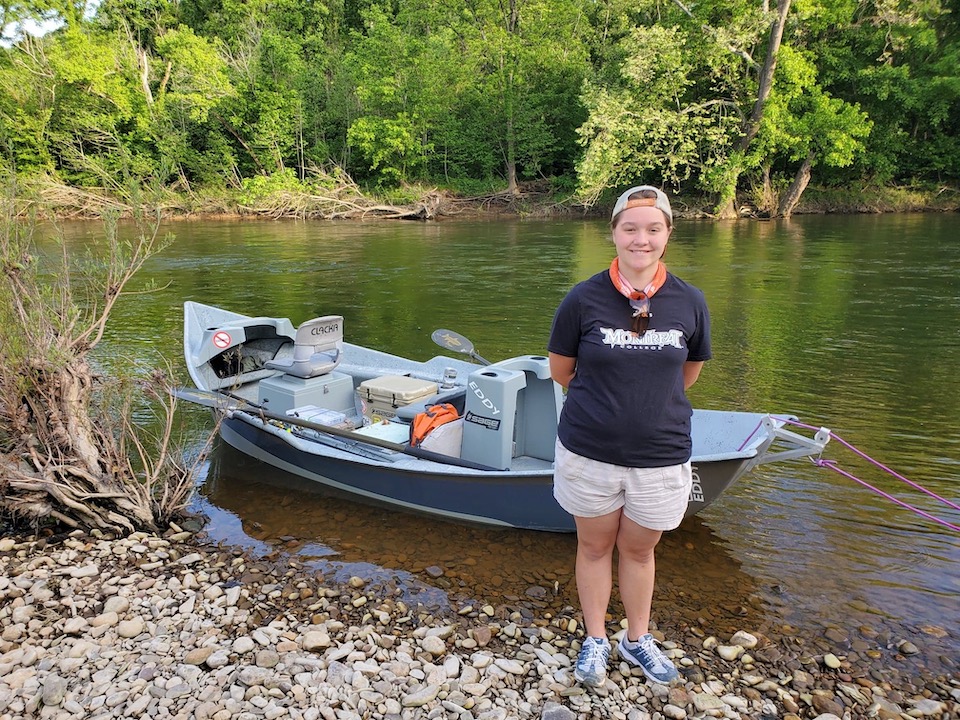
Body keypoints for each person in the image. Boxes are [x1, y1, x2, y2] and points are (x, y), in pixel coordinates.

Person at [547, 185, 711, 687]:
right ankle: (595, 638)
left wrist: (643, 404)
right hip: (589, 452)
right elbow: (561, 370)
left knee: (640, 551)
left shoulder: (689, 300)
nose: (642, 238)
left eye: (653, 229)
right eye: (630, 228)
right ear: (614, 233)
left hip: (661, 455)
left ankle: (636, 639)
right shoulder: (583, 298)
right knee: (594, 548)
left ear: (667, 237)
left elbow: (688, 373)